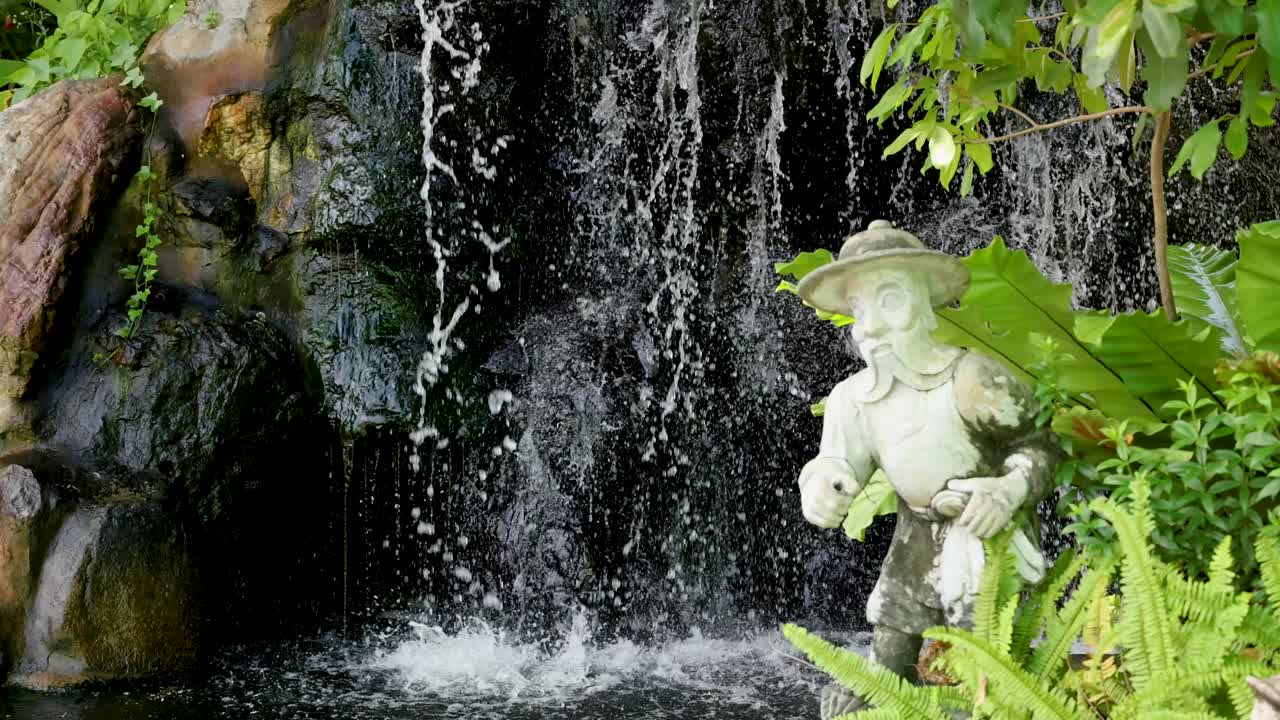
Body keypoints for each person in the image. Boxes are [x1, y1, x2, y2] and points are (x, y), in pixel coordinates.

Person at [795, 220, 1060, 718]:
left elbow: (1042, 441)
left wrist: (1008, 489)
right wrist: (820, 486)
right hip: (915, 530)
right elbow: (834, 462)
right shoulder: (853, 398)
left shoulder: (972, 378)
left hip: (987, 528)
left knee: (984, 636)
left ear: (922, 304)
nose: (869, 328)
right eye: (858, 310)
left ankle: (991, 700)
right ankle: (880, 690)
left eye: (888, 302)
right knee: (894, 621)